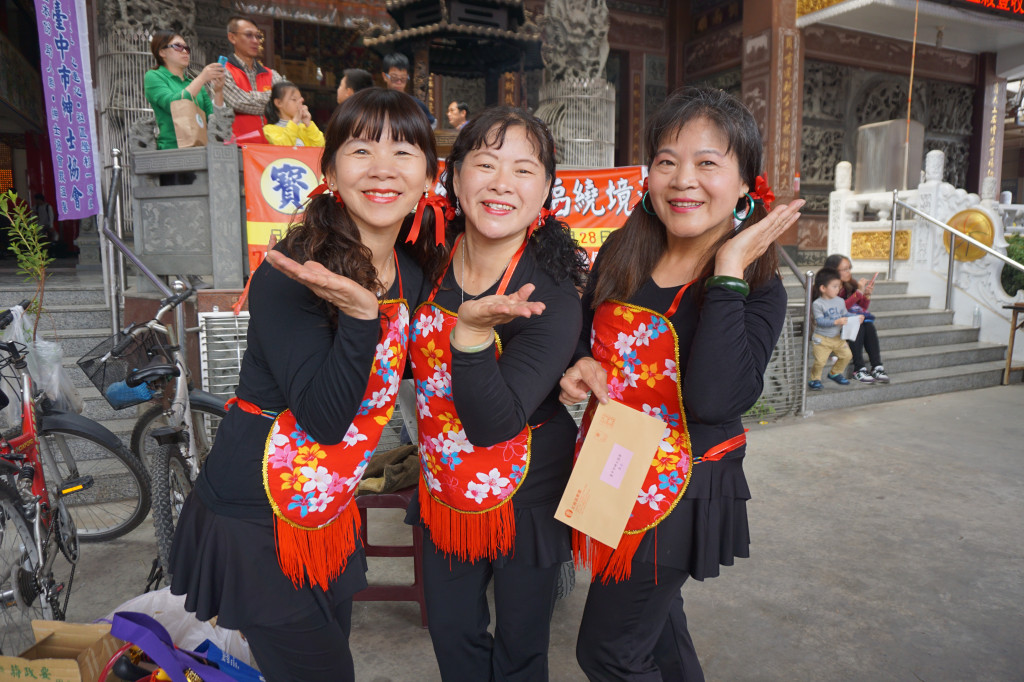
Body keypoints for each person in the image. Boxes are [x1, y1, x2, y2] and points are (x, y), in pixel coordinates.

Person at [168, 88, 447, 682]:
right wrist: (359, 317)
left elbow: (417, 367)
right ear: (329, 171)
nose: (382, 168)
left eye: (403, 151)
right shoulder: (292, 272)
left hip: (326, 505)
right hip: (257, 513)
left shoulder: (412, 270)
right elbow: (323, 417)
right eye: (360, 149)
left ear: (428, 176)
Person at [559, 86, 803, 680]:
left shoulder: (760, 285)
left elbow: (716, 399)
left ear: (746, 183)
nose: (682, 180)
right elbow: (583, 326)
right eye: (667, 161)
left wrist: (727, 271)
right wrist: (578, 365)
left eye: (708, 163)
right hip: (612, 466)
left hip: (683, 485)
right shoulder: (623, 249)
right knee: (658, 630)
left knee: (608, 652)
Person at [408, 107, 589, 681]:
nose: (501, 184)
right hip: (443, 484)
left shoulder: (552, 287)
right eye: (484, 164)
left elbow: (496, 423)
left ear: (546, 189)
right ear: (455, 177)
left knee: (520, 649)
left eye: (523, 170)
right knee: (452, 635)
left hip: (526, 492)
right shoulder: (424, 260)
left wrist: (472, 334)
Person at [143, 30, 227, 151]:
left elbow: (214, 119)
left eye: (187, 48)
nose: (185, 51)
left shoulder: (193, 83)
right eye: (178, 46)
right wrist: (202, 78)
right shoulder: (154, 76)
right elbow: (173, 104)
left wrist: (219, 92)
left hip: (201, 148)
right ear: (162, 52)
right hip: (171, 149)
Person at [824, 253, 890, 384]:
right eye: (845, 269)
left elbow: (860, 308)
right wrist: (857, 293)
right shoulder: (827, 287)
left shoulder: (849, 285)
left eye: (849, 268)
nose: (848, 272)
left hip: (847, 323)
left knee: (867, 324)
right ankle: (859, 369)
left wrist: (866, 296)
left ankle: (877, 366)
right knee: (857, 323)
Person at [222, 15, 284, 138]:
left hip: (272, 147)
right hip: (238, 147)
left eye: (258, 36)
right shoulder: (222, 71)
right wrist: (271, 100)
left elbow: (285, 103)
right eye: (249, 35)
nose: (256, 41)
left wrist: (248, 95)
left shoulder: (271, 74)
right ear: (232, 37)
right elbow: (237, 102)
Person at [808, 267, 862, 391]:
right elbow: (820, 321)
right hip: (821, 339)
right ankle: (815, 379)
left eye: (839, 286)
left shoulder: (840, 301)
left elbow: (845, 314)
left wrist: (856, 317)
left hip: (837, 338)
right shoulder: (818, 304)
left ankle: (834, 373)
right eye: (835, 286)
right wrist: (836, 321)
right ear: (823, 288)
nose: (838, 289)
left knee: (847, 355)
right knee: (820, 362)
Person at [382, 52, 436, 129]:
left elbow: (432, 123)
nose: (399, 82)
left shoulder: (415, 104)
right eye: (394, 78)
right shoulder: (377, 102)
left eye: (403, 78)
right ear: (385, 76)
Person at [262, 81, 324, 147]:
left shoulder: (303, 127)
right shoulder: (269, 129)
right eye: (294, 99)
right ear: (278, 103)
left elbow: (320, 146)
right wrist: (295, 121)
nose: (299, 103)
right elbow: (284, 147)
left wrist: (308, 124)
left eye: (300, 100)